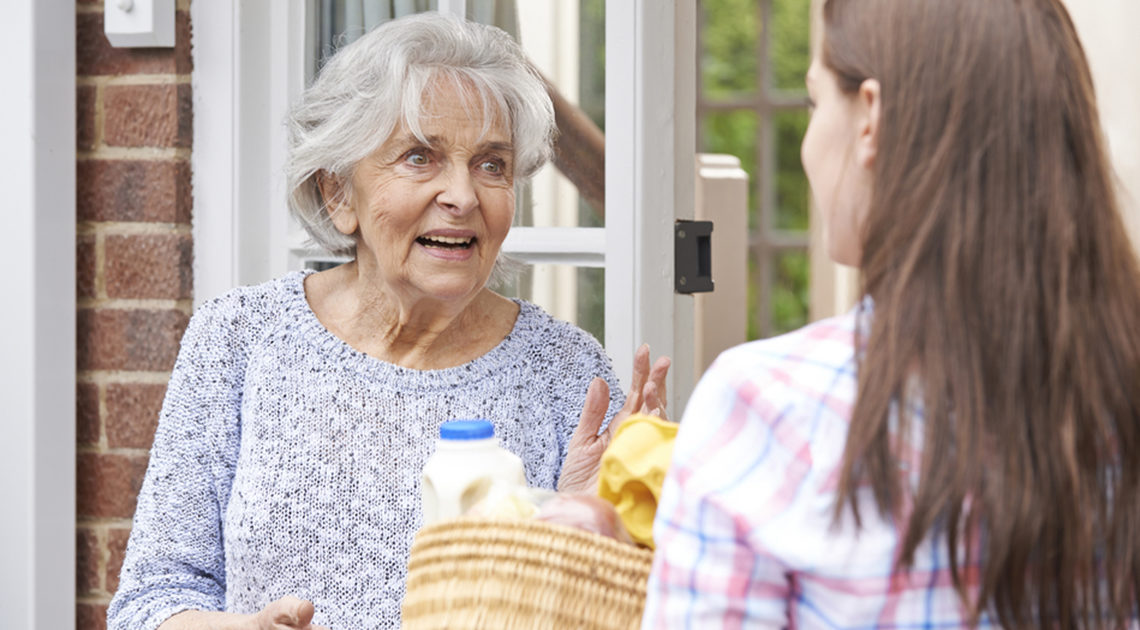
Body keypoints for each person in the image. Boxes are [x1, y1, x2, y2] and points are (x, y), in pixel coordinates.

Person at [108, 12, 669, 630]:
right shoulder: (240, 337)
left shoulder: (566, 369)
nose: (462, 195)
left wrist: (601, 527)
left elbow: (644, 605)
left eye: (491, 165)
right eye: (419, 157)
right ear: (338, 195)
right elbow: (149, 604)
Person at [643, 0, 1140, 627]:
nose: (808, 142)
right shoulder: (1118, 393)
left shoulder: (769, 412)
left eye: (815, 102)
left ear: (870, 118)